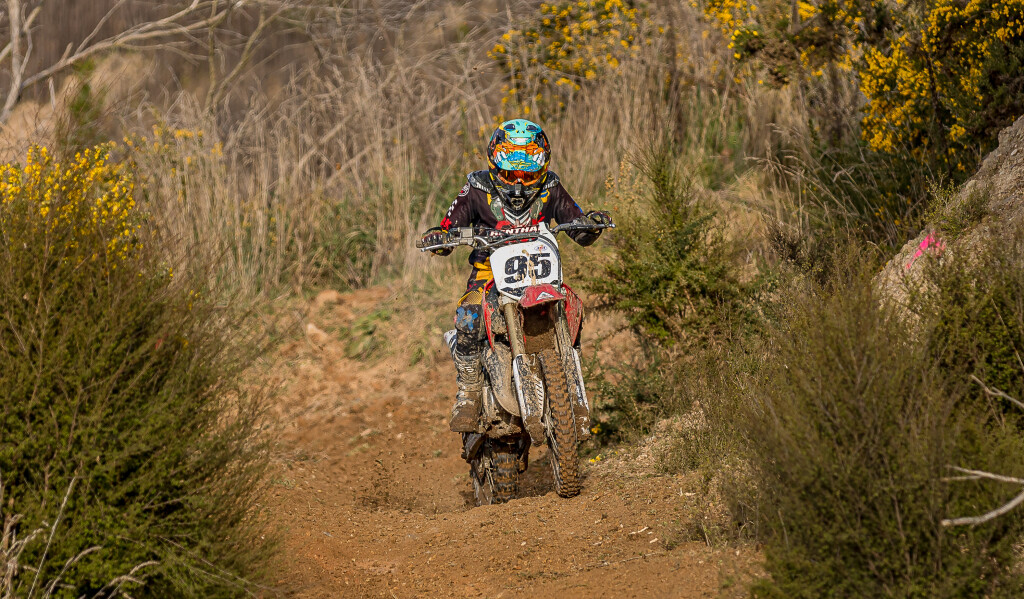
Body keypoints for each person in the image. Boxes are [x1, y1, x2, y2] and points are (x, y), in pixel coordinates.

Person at [420, 118, 610, 432]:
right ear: (495, 167)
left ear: (542, 168)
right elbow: (449, 226)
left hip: (540, 273)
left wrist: (590, 224)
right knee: (468, 315)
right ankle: (468, 393)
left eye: (528, 174)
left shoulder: (550, 187)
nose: (519, 183)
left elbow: (577, 226)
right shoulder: (477, 187)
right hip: (488, 274)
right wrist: (440, 238)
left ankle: (570, 376)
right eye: (511, 174)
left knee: (572, 304)